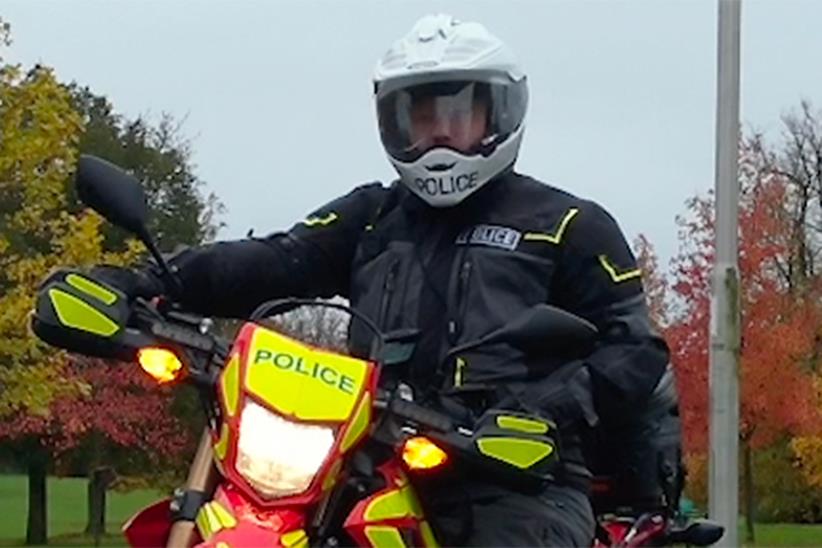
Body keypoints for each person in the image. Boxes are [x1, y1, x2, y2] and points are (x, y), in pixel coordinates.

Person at [92, 14, 670, 546]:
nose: (439, 134)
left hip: (510, 476)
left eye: (457, 115)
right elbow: (275, 260)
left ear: (497, 114)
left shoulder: (568, 225)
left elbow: (633, 347)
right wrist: (143, 280)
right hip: (363, 461)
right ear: (393, 120)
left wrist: (545, 410)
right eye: (421, 117)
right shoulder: (371, 217)